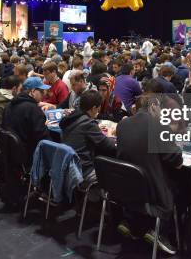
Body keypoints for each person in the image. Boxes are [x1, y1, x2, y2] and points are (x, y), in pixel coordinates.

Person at [116, 93, 182, 255]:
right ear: (153, 106)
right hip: (153, 189)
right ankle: (161, 232)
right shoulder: (158, 125)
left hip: (128, 187)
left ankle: (132, 222)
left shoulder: (122, 125)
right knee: (181, 183)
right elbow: (176, 161)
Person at [60, 90, 116, 183]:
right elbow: (108, 146)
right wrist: (110, 133)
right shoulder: (88, 123)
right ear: (94, 108)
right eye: (98, 108)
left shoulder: (71, 117)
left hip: (66, 166)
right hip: (82, 170)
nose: (98, 111)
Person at [1, 77, 51, 164]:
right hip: (27, 154)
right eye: (42, 91)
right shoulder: (33, 109)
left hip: (9, 152)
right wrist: (45, 126)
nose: (44, 94)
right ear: (33, 91)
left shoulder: (9, 104)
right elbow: (43, 139)